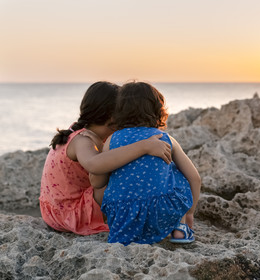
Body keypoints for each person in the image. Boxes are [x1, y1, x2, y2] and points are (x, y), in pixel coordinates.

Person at [39, 81, 172, 236]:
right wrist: (144, 146)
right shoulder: (82, 140)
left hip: (55, 212)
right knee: (124, 175)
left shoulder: (82, 132)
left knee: (117, 163)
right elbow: (94, 164)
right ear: (113, 118)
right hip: (71, 215)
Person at [90, 81, 201, 245]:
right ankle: (180, 228)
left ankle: (130, 230)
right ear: (158, 110)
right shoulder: (165, 139)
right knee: (179, 172)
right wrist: (189, 212)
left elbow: (99, 181)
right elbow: (195, 178)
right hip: (161, 212)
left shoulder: (112, 140)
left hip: (123, 215)